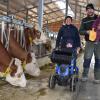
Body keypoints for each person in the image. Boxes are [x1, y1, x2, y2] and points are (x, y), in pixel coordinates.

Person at [79, 3, 100, 83]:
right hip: (89, 42)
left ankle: (97, 77)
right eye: (88, 10)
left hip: (98, 43)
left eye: (91, 9)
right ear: (86, 11)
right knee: (87, 59)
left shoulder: (98, 18)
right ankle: (84, 75)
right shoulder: (84, 20)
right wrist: (87, 32)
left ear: (93, 10)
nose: (89, 11)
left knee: (98, 60)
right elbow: (80, 31)